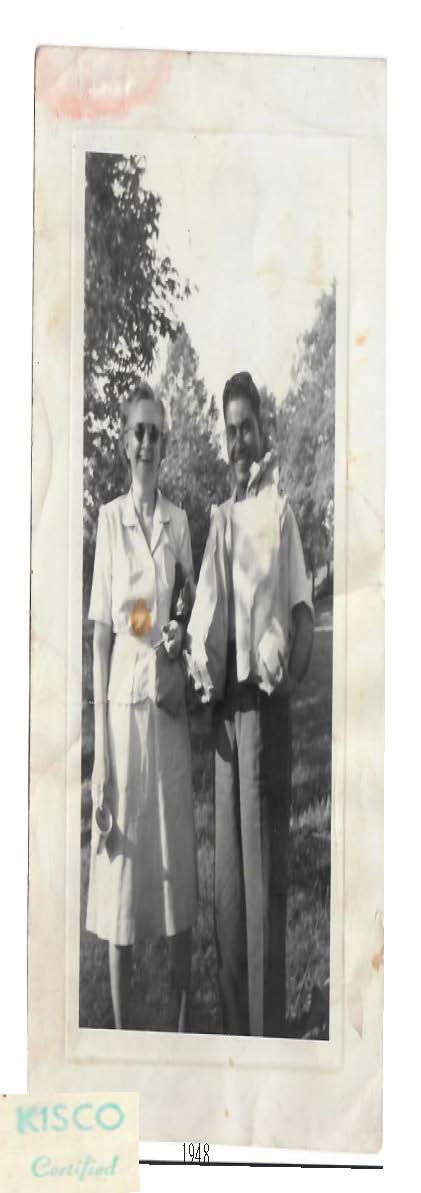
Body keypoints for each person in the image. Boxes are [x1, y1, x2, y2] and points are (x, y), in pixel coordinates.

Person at [186, 371, 314, 1037]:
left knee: (263, 884)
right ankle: (236, 1034)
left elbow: (302, 611)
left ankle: (267, 1038)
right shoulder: (219, 520)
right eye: (230, 430)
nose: (239, 441)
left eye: (248, 428)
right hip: (223, 724)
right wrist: (193, 661)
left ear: (263, 431)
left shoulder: (280, 514)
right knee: (230, 892)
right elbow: (205, 619)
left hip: (263, 713)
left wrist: (287, 676)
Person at [86, 381, 197, 1032]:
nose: (148, 442)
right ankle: (124, 1034)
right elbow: (102, 634)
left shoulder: (179, 523)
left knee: (176, 861)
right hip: (123, 717)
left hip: (168, 714)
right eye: (139, 431)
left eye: (157, 432)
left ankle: (180, 1029)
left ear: (165, 442)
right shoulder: (108, 521)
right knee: (121, 870)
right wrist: (100, 751)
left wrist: (180, 632)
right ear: (125, 442)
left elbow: (191, 608)